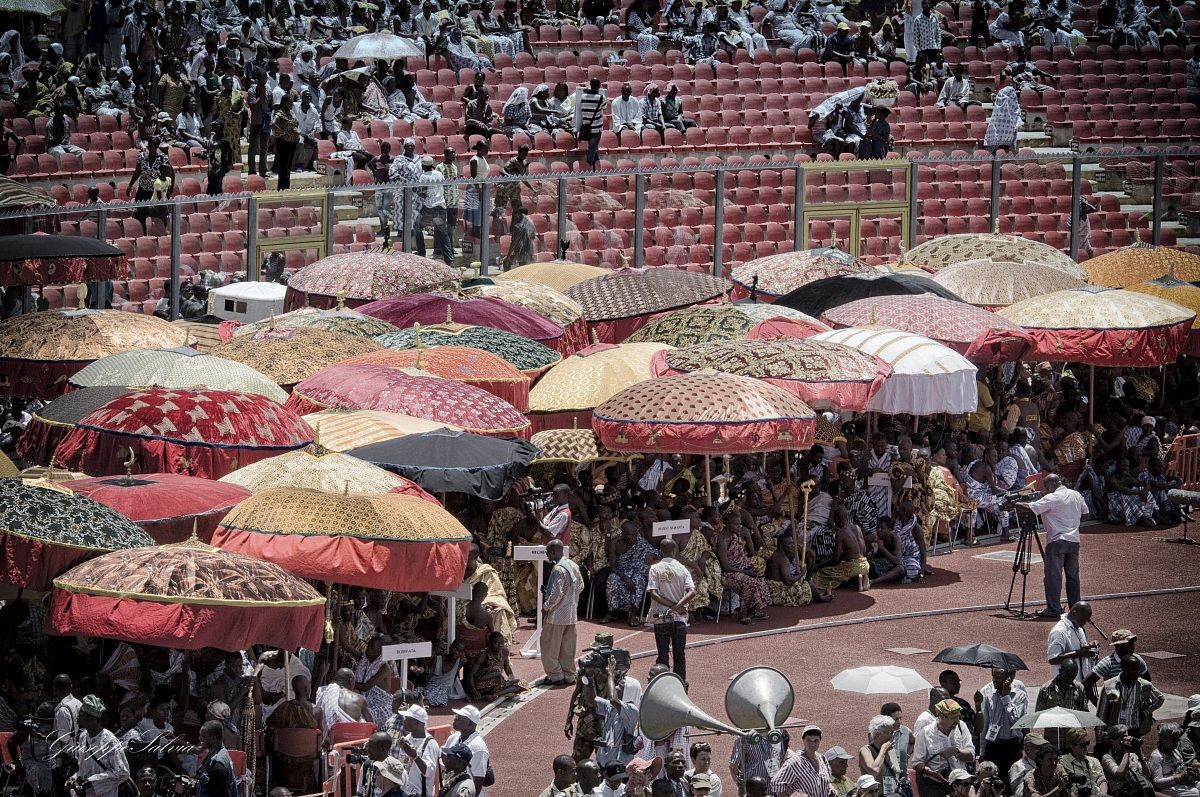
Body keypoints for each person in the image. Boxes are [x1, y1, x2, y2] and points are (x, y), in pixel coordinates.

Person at [647, 537, 696, 681]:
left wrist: (671, 607)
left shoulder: (654, 568)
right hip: (679, 619)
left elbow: (654, 594)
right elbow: (692, 592)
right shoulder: (683, 569)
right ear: (675, 551)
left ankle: (662, 684)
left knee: (662, 655)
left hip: (660, 618)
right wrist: (677, 607)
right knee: (679, 654)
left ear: (661, 551)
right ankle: (681, 685)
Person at [66, 696, 129, 797]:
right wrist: (74, 778)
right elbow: (83, 769)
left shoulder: (109, 741)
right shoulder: (83, 737)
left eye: (81, 714)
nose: (77, 716)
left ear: (91, 719)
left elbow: (122, 772)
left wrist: (93, 781)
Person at [542, 538, 584, 686]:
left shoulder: (559, 569)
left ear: (553, 551)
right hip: (571, 613)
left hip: (557, 615)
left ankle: (555, 676)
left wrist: (546, 607)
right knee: (568, 648)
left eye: (548, 552)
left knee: (549, 646)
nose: (547, 555)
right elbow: (581, 586)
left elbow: (556, 594)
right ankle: (569, 675)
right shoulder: (573, 565)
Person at [975, 668, 1029, 778]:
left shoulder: (1020, 695)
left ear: (1010, 678)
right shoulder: (989, 694)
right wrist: (982, 751)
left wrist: (1006, 697)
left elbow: (1017, 721)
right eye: (993, 676)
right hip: (993, 745)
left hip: (1012, 746)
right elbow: (986, 724)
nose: (994, 680)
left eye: (998, 677)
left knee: (1011, 782)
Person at [914, 700, 976, 797]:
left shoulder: (961, 727)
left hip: (960, 784)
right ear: (942, 717)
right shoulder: (925, 733)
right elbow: (917, 763)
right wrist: (932, 773)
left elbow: (971, 756)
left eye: (958, 716)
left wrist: (956, 751)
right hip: (937, 786)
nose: (957, 721)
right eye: (953, 718)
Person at [1097, 656, 1165, 738]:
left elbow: (1159, 699)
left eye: (1138, 670)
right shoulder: (1109, 685)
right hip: (1114, 732)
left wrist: (1145, 712)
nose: (1138, 673)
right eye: (1134, 670)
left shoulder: (1144, 685)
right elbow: (1101, 714)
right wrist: (1100, 740)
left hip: (1134, 731)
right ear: (1124, 669)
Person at [1084, 630, 1151, 704]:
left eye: (1132, 643)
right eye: (1128, 644)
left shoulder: (1137, 659)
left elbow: (1147, 679)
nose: (1132, 647)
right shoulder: (1107, 663)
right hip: (1114, 708)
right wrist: (1098, 704)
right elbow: (1086, 683)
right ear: (1117, 646)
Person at [772, 726, 830, 797]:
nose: (812, 744)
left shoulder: (823, 759)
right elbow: (776, 783)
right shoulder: (794, 762)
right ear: (803, 740)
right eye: (809, 740)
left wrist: (832, 790)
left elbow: (827, 781)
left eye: (816, 740)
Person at [1047, 602, 1099, 680]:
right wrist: (1080, 653)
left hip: (1081, 682)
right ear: (1074, 613)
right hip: (1064, 686)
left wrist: (1089, 647)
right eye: (1082, 620)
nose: (1084, 623)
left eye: (1086, 620)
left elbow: (1079, 648)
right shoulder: (1059, 631)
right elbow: (1053, 659)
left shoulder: (1078, 627)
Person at [445, 706, 490, 797]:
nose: (455, 720)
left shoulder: (478, 747)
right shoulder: (454, 737)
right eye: (456, 717)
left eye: (459, 718)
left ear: (470, 723)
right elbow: (443, 755)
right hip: (453, 789)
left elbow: (478, 780)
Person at [1149, 725, 1199, 797]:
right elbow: (1157, 783)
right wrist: (1177, 777)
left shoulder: (1176, 752)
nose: (1176, 743)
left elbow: (1182, 770)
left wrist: (1189, 773)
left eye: (1177, 740)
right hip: (1166, 788)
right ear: (1163, 738)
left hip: (1180, 784)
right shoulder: (1157, 756)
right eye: (1173, 739)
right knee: (1194, 793)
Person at [1100, 725, 1150, 797]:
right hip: (1121, 793)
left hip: (1138, 790)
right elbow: (1119, 774)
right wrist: (1126, 752)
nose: (1125, 741)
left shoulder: (1132, 755)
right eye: (1121, 738)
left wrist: (1141, 756)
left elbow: (1147, 775)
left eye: (1126, 737)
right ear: (1112, 741)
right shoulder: (1107, 758)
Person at [859, 716, 903, 797]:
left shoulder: (892, 751)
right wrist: (883, 749)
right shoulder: (865, 750)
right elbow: (874, 770)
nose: (892, 736)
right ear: (878, 735)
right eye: (890, 733)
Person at [195, 720, 236, 797]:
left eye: (203, 737)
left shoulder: (218, 764)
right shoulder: (212, 755)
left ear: (214, 739)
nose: (199, 739)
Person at [1059, 729, 1106, 797]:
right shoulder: (1062, 761)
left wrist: (1103, 794)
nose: (1086, 747)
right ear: (1072, 746)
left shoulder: (1094, 761)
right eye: (1083, 745)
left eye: (1088, 743)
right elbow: (1065, 786)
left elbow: (1102, 780)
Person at [983, 84, 1021, 155]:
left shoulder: (1001, 97)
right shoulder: (1009, 102)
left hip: (1000, 139)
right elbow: (1016, 112)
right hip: (1005, 140)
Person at [272, 94, 299, 190]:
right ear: (284, 103)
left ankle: (286, 186)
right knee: (283, 166)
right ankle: (281, 187)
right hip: (283, 142)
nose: (291, 104)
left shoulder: (291, 113)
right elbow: (273, 124)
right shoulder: (280, 113)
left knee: (289, 165)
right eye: (289, 102)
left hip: (292, 142)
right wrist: (283, 133)